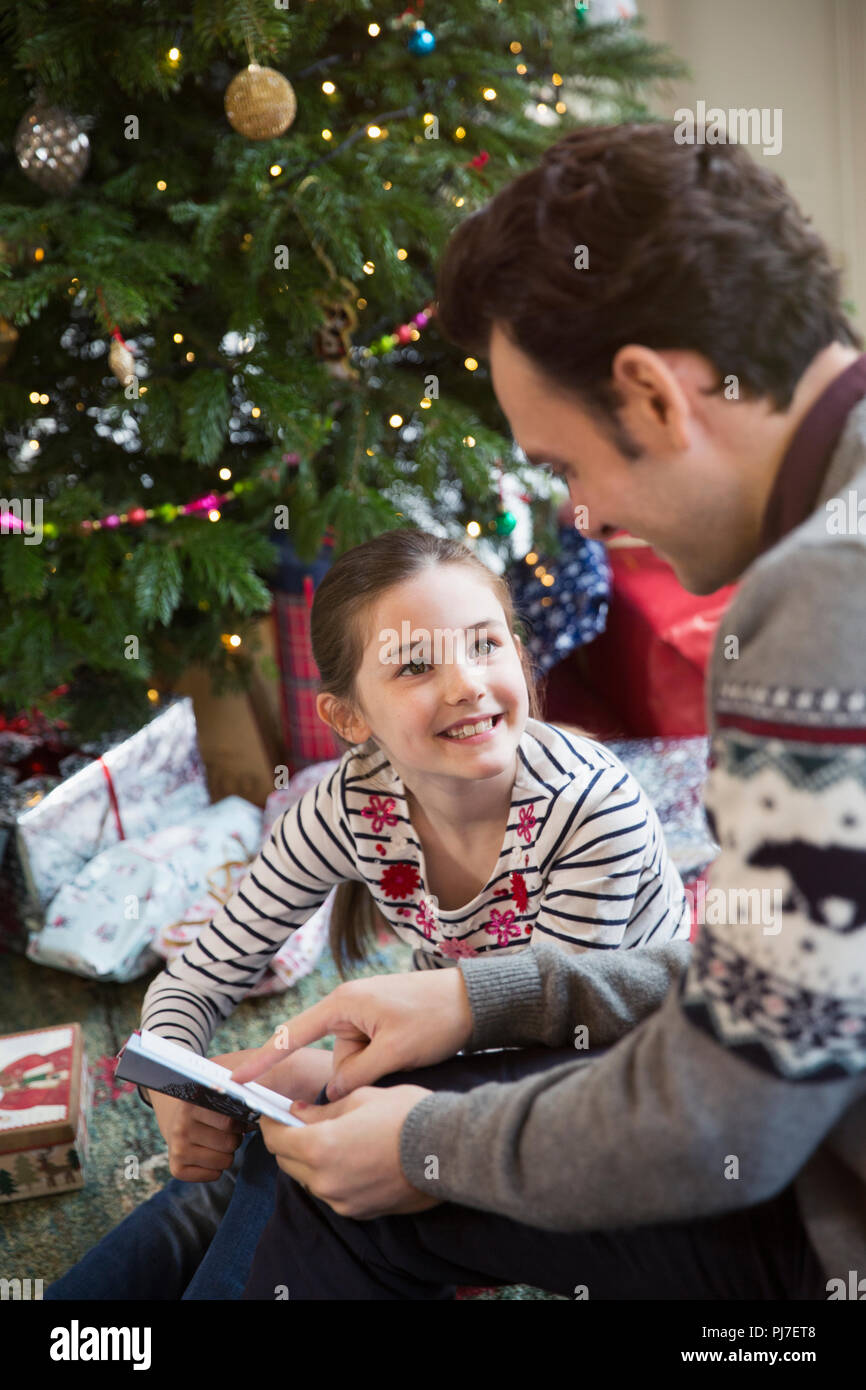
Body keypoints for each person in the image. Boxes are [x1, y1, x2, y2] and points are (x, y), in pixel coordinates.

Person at [230, 121, 866, 1300]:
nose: (581, 515)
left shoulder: (821, 601)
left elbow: (728, 1109)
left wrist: (427, 1151)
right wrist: (481, 992)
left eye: (566, 466)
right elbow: (795, 987)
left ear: (650, 394)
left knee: (366, 1171)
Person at [46, 525, 690, 1300]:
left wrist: (325, 1078)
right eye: (415, 665)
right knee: (264, 1153)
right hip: (462, 1060)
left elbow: (552, 1037)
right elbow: (204, 972)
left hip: (592, 1099)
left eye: (487, 645)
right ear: (350, 719)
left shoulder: (594, 810)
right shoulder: (348, 804)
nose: (467, 684)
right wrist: (172, 1079)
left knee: (284, 1150)